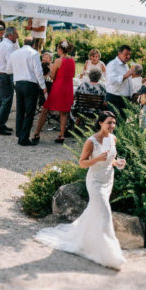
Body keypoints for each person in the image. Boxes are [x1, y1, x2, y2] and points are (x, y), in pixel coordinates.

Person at [35, 110, 126, 268]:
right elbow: (82, 163)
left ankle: (88, 240)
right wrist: (97, 158)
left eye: (114, 122)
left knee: (95, 211)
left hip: (108, 179)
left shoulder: (113, 139)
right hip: (95, 181)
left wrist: (117, 163)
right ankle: (110, 255)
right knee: (105, 212)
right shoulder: (91, 142)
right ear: (100, 123)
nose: (112, 125)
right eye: (109, 122)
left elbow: (110, 159)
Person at [31, 40, 76, 144]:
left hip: (58, 88)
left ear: (60, 49)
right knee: (64, 112)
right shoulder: (72, 61)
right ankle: (61, 135)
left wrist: (51, 69)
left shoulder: (58, 61)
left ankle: (37, 133)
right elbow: (73, 75)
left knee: (45, 109)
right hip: (68, 88)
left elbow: (52, 77)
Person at [8, 37, 44, 146]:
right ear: (33, 45)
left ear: (24, 43)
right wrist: (43, 86)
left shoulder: (14, 53)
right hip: (30, 84)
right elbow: (38, 71)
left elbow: (9, 69)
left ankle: (19, 132)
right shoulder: (34, 53)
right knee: (29, 112)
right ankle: (24, 138)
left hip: (18, 83)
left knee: (20, 109)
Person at [0, 26, 18, 136]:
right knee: (6, 101)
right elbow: (10, 65)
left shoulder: (1, 43)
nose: (18, 36)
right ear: (10, 35)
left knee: (2, 100)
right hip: (5, 75)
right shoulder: (9, 46)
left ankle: (0, 123)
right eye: (16, 34)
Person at [104, 45, 139, 113]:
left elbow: (127, 82)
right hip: (115, 98)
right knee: (115, 121)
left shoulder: (125, 65)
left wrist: (132, 94)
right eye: (126, 54)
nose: (128, 57)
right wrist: (126, 75)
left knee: (123, 122)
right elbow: (111, 81)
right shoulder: (112, 65)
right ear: (119, 53)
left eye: (129, 54)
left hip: (124, 99)